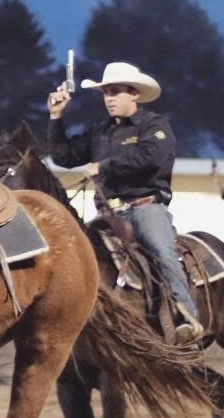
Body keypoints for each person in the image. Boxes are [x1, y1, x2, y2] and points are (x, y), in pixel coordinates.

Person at [47, 62, 202, 344]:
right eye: (106, 93)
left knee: (161, 249)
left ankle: (186, 315)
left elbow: (151, 156)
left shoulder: (154, 125)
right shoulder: (99, 131)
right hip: (107, 215)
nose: (110, 98)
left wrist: (103, 166)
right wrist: (56, 118)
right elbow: (64, 156)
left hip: (145, 209)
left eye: (116, 92)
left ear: (135, 94)